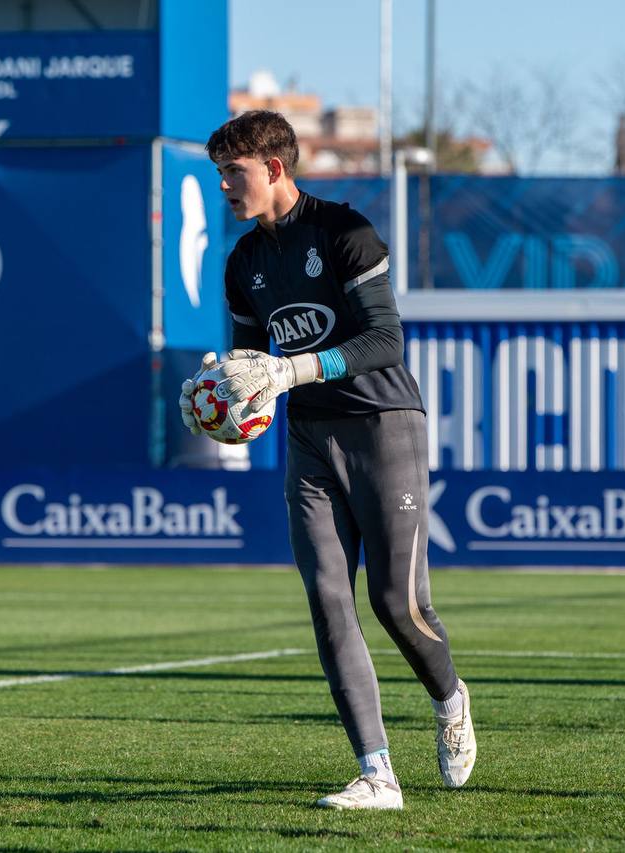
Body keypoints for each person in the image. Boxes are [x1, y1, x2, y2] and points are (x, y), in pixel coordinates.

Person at [178, 110, 475, 810]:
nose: (224, 185)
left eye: (233, 171)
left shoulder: (345, 232)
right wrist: (221, 397)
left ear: (274, 168)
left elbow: (385, 341)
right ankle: (377, 773)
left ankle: (449, 696)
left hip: (383, 425)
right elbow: (253, 365)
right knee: (328, 600)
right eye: (220, 172)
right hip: (309, 438)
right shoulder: (242, 263)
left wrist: (293, 370)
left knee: (397, 604)